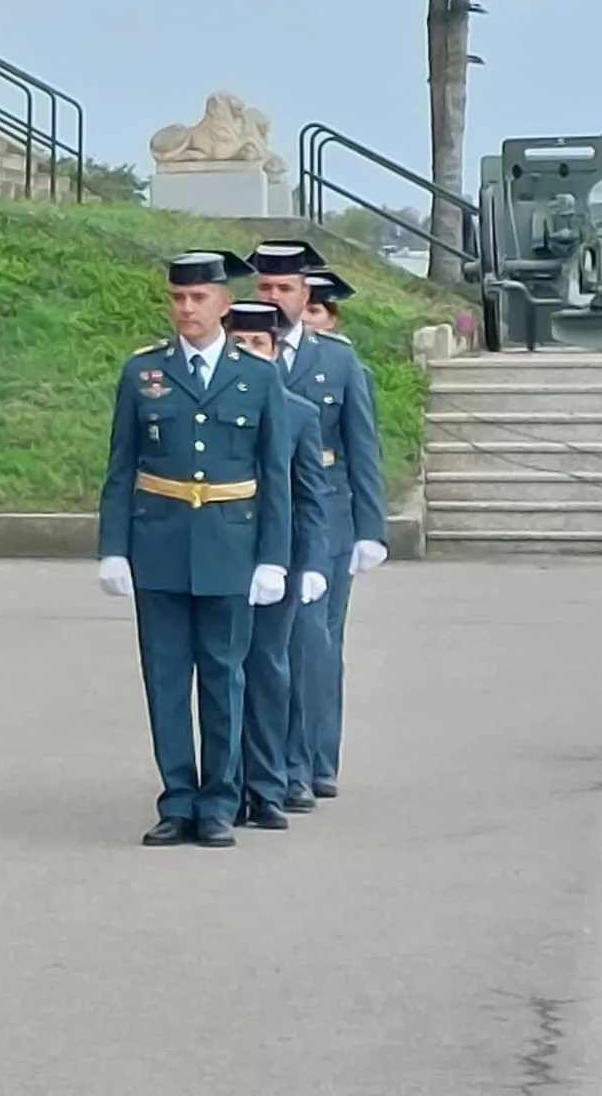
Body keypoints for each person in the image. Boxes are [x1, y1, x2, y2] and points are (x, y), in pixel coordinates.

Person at [96, 249, 292, 850]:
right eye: (178, 297)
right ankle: (177, 799)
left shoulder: (258, 376)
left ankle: (219, 801)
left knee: (223, 679)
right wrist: (113, 548)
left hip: (232, 545)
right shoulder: (144, 373)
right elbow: (121, 466)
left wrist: (274, 558)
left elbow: (275, 473)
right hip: (159, 544)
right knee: (165, 680)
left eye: (198, 297)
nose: (186, 308)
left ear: (223, 305)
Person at [251, 243, 387, 803]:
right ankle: (268, 762)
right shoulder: (242, 349)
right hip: (256, 518)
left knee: (313, 645)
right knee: (266, 648)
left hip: (324, 517)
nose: (273, 298)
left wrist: (370, 527)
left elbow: (362, 446)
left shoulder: (337, 360)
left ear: (307, 295)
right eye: (264, 288)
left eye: (285, 289)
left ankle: (306, 762)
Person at [224, 300, 332, 829]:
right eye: (239, 344)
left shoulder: (300, 414)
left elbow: (312, 497)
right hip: (224, 556)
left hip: (279, 562)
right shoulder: (214, 405)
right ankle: (228, 779)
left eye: (259, 345)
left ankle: (271, 782)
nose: (249, 354)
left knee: (269, 670)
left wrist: (311, 563)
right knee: (225, 672)